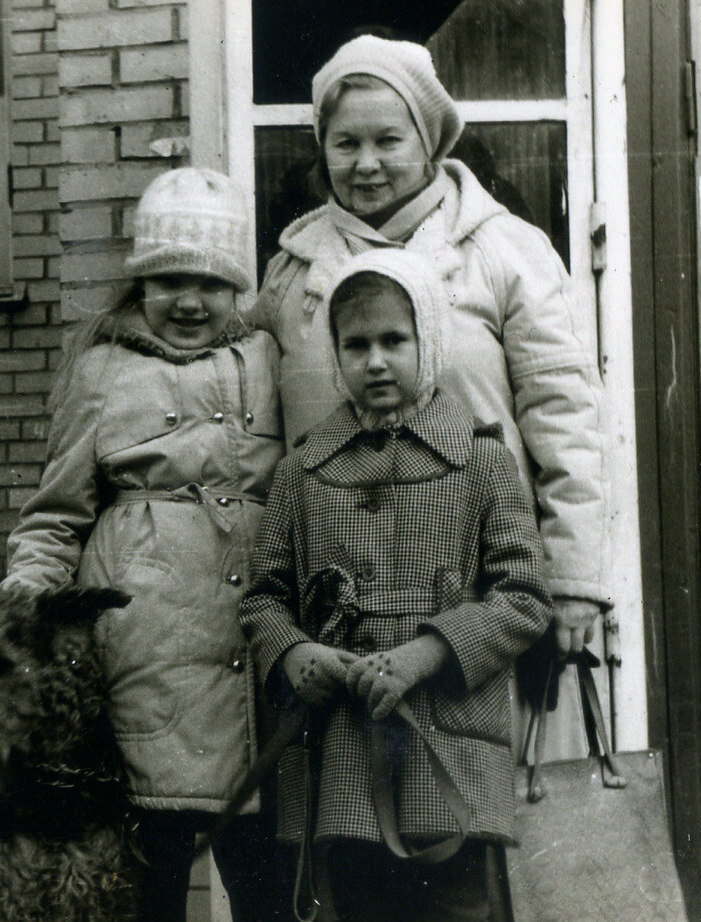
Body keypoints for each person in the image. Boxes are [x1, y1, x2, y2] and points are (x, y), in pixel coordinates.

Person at [247, 34, 608, 724]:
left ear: (431, 139)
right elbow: (263, 444)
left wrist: (574, 582)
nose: (367, 164)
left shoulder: (504, 251)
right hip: (343, 617)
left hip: (479, 597)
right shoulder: (292, 272)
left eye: (389, 139)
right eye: (345, 143)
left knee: (476, 804)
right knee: (357, 810)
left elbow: (566, 417)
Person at [0, 167, 304, 922]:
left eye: (210, 282)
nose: (191, 302)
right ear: (142, 280)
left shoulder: (271, 359)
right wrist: (27, 600)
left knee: (268, 875)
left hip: (254, 645)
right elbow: (56, 512)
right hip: (144, 653)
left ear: (237, 286)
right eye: (170, 280)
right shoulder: (101, 368)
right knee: (149, 885)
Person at [240, 248, 553, 922]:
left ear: (430, 342)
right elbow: (264, 599)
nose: (375, 361)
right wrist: (297, 653)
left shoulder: (481, 461)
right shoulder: (304, 468)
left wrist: (427, 652)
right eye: (356, 345)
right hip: (342, 735)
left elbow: (525, 595)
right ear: (337, 355)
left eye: (394, 341)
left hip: (446, 724)